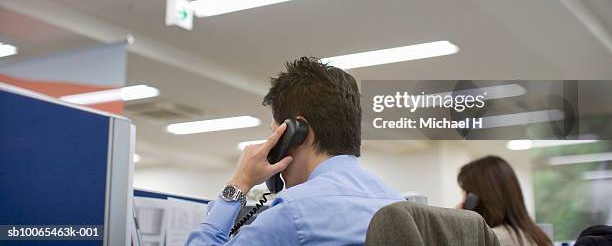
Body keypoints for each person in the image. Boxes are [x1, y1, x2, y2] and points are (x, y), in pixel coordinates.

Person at [186, 57, 404, 245]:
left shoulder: (294, 212)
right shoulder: (400, 206)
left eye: (275, 134)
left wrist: (238, 185)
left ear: (296, 132)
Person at [457, 156, 551, 246]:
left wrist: (460, 224)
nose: (463, 201)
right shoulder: (536, 235)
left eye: (465, 193)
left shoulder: (492, 239)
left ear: (476, 199)